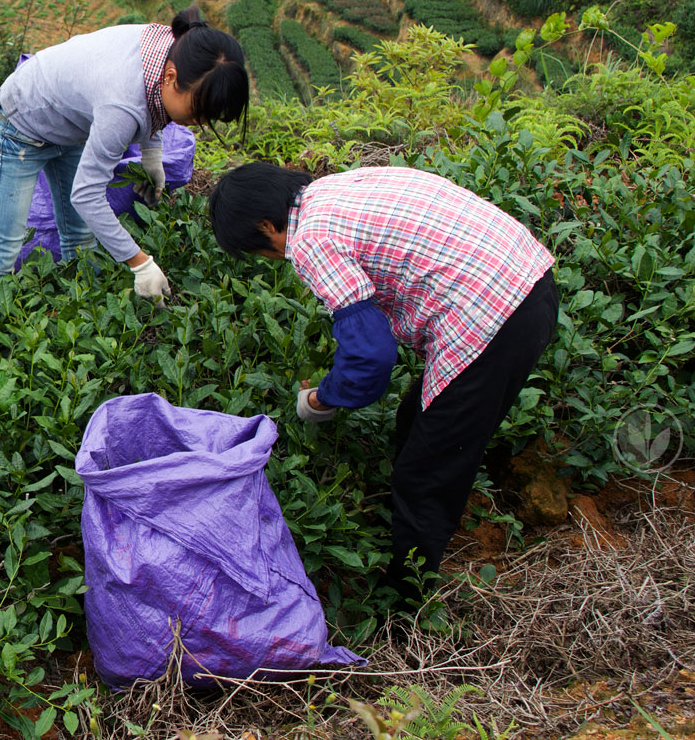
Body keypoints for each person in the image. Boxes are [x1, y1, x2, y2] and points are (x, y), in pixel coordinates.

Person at [208, 162, 560, 606]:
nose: (273, 259)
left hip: (490, 317)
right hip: (530, 280)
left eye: (261, 252)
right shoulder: (340, 188)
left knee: (425, 475)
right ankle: (407, 529)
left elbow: (370, 357)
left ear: (265, 226)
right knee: (415, 420)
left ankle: (407, 599)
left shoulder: (310, 239)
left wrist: (322, 399)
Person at [0, 7, 249, 298]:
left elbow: (153, 100)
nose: (199, 122)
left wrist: (151, 154)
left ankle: (79, 310)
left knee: (81, 239)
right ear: (171, 76)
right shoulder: (121, 107)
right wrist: (140, 263)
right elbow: (86, 194)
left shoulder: (183, 51)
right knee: (0, 253)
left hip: (70, 120)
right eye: (197, 111)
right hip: (19, 122)